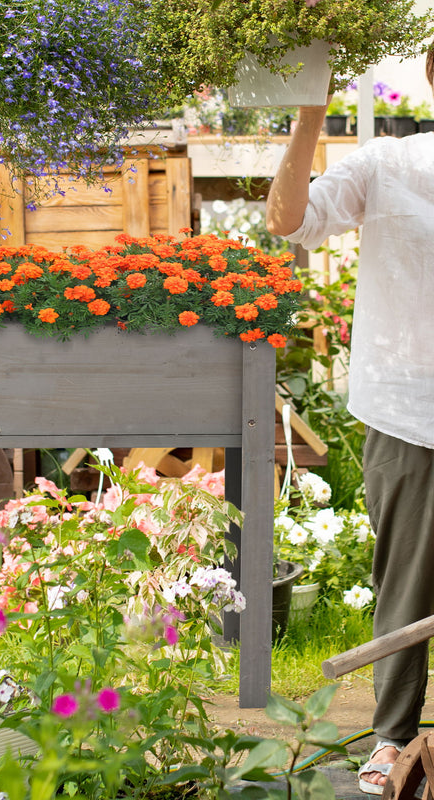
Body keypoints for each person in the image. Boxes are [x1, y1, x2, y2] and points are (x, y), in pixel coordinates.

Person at [265, 46, 434, 796]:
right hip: (408, 409)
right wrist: (310, 106)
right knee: (406, 582)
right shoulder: (386, 164)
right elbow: (286, 220)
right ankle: (393, 737)